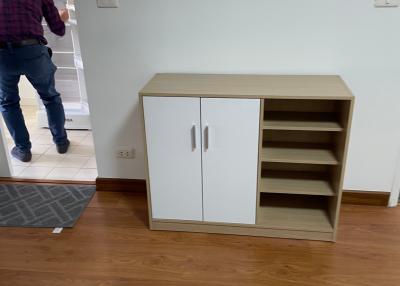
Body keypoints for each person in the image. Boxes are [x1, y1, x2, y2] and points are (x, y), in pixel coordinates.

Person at [0, 0, 70, 162]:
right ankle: (61, 141)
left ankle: (23, 150)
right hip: (32, 51)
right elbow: (58, 29)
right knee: (50, 97)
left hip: (2, 54)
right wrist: (63, 17)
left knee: (8, 103)